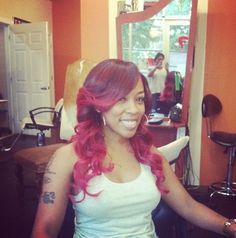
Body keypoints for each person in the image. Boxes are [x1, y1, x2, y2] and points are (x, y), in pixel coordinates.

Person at [31, 59, 236, 238]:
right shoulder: (66, 158)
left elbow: (188, 206)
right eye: (121, 99)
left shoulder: (149, 155)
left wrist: (228, 226)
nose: (135, 110)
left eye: (139, 99)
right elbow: (45, 230)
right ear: (96, 104)